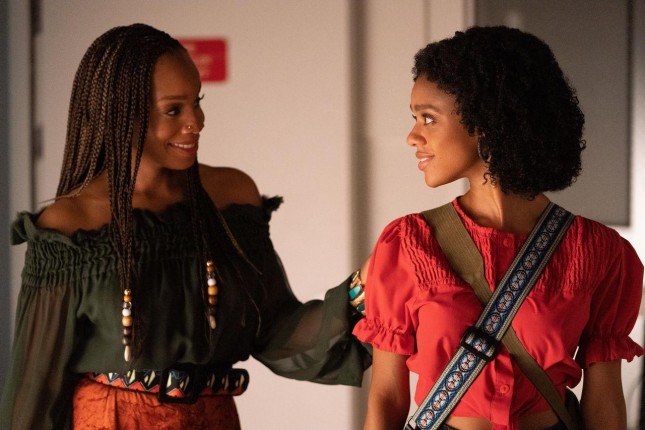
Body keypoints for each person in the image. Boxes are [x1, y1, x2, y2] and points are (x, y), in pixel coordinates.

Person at [0, 23, 370, 430]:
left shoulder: (231, 197)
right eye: (174, 110)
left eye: (197, 102)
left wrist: (365, 291)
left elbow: (277, 329)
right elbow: (35, 392)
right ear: (122, 116)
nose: (197, 121)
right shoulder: (71, 228)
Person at [353, 26, 643, 430]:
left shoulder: (600, 251)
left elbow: (605, 400)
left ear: (485, 122)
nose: (412, 137)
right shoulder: (407, 243)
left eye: (428, 118)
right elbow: (386, 397)